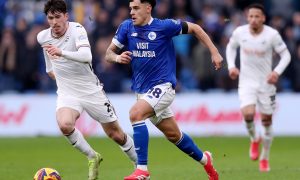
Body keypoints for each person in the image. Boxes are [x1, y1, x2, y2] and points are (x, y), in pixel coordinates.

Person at [105, 0, 223, 179]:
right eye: (130, 8)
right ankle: (206, 160)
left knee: (135, 114)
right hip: (142, 92)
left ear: (148, 8)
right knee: (174, 135)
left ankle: (142, 170)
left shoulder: (165, 26)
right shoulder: (126, 27)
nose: (131, 12)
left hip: (163, 86)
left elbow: (196, 29)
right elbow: (108, 53)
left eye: (136, 8)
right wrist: (117, 58)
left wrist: (214, 51)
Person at [36, 1, 137, 179]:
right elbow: (49, 67)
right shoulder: (42, 37)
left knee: (116, 134)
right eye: (50, 18)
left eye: (58, 17)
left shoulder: (77, 30)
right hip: (67, 92)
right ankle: (92, 156)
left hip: (91, 90)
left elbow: (86, 56)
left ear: (66, 16)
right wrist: (60, 79)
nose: (54, 22)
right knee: (64, 124)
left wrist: (61, 52)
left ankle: (140, 167)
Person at [226, 3, 291, 172]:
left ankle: (265, 157)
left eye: (257, 16)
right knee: (247, 114)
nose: (253, 19)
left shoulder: (272, 35)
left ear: (263, 18)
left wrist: (276, 72)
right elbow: (230, 47)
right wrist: (231, 66)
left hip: (266, 84)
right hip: (246, 82)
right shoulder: (240, 32)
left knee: (266, 121)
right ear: (247, 18)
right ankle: (255, 138)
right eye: (251, 16)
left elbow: (286, 55)